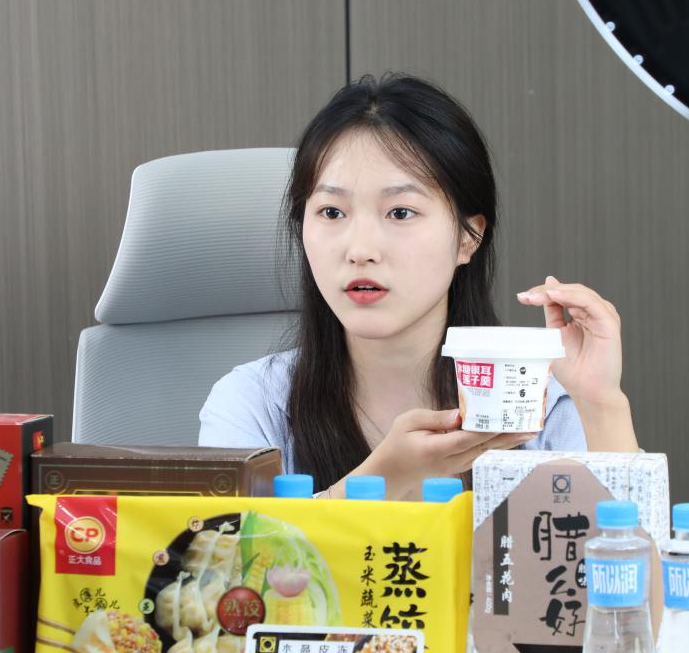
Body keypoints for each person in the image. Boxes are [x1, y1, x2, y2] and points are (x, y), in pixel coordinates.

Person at [199, 73, 638, 499]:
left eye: (400, 213)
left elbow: (634, 553)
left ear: (468, 237)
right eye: (332, 212)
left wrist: (601, 403)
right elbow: (223, 552)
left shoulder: (536, 402)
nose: (360, 250)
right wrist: (385, 478)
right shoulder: (253, 403)